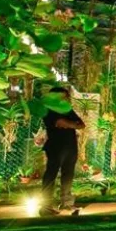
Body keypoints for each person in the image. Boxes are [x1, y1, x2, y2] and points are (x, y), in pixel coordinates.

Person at [40, 86, 85, 215]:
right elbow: (60, 122)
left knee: (68, 174)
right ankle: (46, 205)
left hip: (70, 146)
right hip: (55, 146)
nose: (66, 99)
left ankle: (67, 203)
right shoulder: (49, 110)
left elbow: (81, 125)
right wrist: (72, 124)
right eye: (63, 97)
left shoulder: (68, 110)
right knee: (51, 174)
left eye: (67, 97)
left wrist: (69, 124)